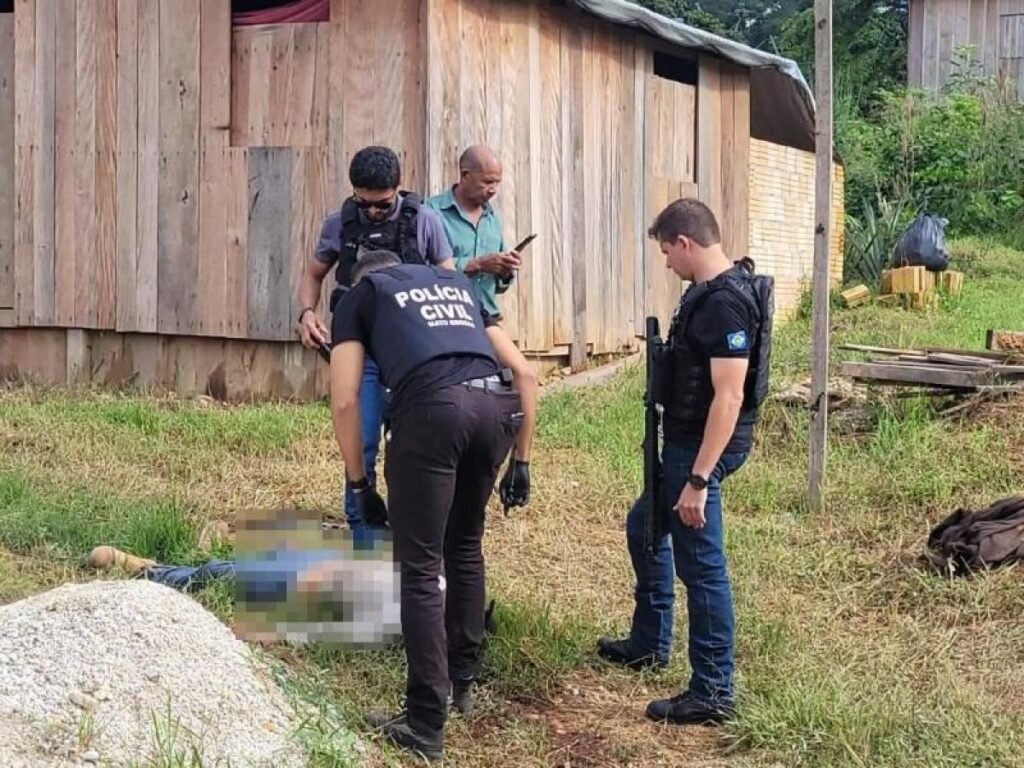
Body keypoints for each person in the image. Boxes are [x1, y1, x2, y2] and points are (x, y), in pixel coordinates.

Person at [328, 249, 538, 761]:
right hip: (497, 409)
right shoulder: (456, 285)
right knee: (464, 545)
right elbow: (525, 374)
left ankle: (425, 723)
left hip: (433, 411)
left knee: (420, 565)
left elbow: (345, 399)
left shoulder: (361, 294)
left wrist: (359, 484)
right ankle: (463, 683)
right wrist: (522, 461)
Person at [597, 199, 772, 727]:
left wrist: (698, 479)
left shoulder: (724, 304)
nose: (667, 262)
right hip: (686, 443)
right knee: (645, 527)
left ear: (685, 243)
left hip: (699, 449)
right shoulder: (710, 291)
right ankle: (649, 642)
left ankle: (714, 690)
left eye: (666, 252)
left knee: (702, 568)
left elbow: (729, 396)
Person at [296, 146, 455, 542]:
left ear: (398, 188)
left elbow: (448, 280)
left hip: (411, 353)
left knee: (412, 444)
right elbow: (314, 273)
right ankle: (364, 529)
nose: (373, 213)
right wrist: (307, 313)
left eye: (383, 205)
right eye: (363, 203)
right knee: (362, 438)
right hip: (360, 350)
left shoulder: (425, 221)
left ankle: (412, 529)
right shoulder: (340, 223)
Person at [426, 145, 522, 322]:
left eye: (497, 183)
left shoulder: (492, 218)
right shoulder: (430, 213)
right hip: (448, 319)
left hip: (488, 318)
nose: (493, 189)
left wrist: (505, 270)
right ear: (465, 175)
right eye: (487, 182)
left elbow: (498, 287)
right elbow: (421, 269)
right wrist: (476, 264)